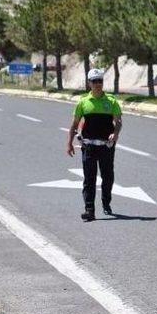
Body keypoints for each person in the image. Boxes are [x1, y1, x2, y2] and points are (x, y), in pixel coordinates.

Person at [67, 68, 122, 221]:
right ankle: (89, 209)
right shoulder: (83, 102)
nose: (98, 84)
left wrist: (115, 133)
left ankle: (106, 202)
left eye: (100, 81)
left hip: (106, 146)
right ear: (89, 83)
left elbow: (118, 121)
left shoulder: (111, 101)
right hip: (89, 146)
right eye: (95, 81)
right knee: (89, 178)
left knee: (107, 177)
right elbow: (74, 125)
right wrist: (69, 143)